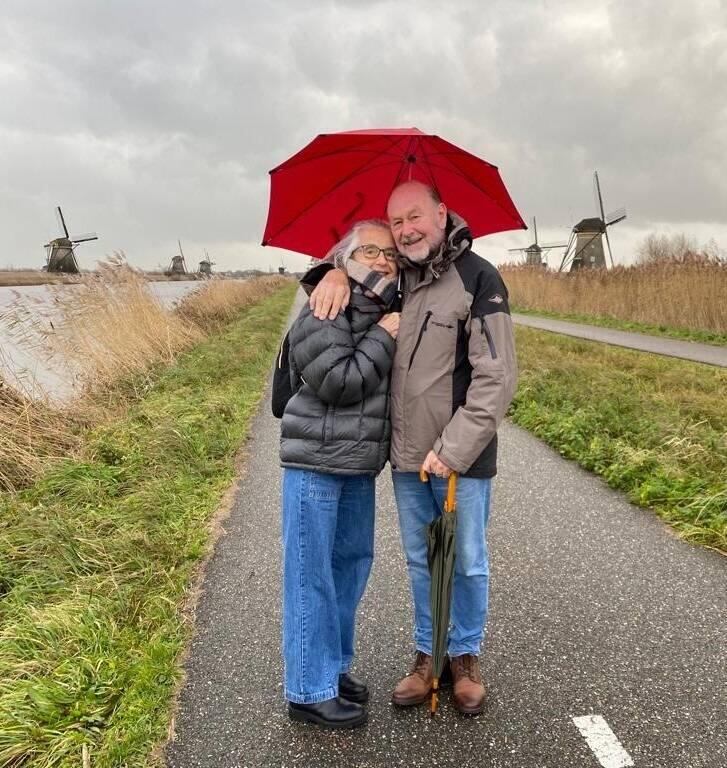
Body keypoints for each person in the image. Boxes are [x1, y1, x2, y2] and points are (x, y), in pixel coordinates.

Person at [309, 181, 517, 715]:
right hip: (407, 458)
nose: (405, 231)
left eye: (415, 216)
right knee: (423, 560)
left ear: (442, 214)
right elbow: (353, 271)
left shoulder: (479, 278)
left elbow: (496, 376)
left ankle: (464, 657)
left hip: (459, 458)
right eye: (396, 221)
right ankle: (429, 654)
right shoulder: (397, 278)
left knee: (465, 560)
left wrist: (454, 449)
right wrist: (332, 271)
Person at [280, 219, 400, 729]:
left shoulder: (381, 303)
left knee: (349, 568)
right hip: (316, 461)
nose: (383, 260)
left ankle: (332, 667)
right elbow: (339, 381)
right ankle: (308, 689)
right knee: (311, 574)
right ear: (344, 257)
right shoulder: (325, 304)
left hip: (357, 463)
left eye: (390, 254)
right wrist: (383, 336)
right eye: (370, 250)